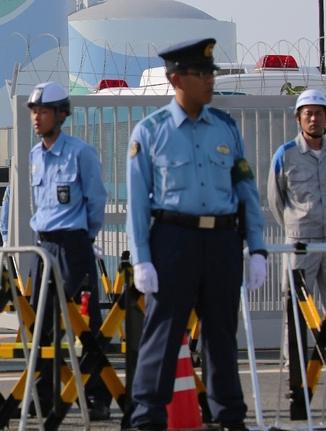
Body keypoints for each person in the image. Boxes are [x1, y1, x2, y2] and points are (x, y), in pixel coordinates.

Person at [126, 38, 267, 431]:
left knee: (222, 334)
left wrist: (257, 248)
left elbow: (246, 190)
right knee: (163, 335)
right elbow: (138, 203)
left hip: (222, 241)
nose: (209, 81)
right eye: (201, 73)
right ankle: (147, 419)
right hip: (173, 239)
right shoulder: (150, 132)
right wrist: (142, 258)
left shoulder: (225, 127)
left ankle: (230, 418)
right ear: (175, 79)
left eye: (210, 73)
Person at [26, 81, 112, 420]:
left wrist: (83, 239)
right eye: (34, 112)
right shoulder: (34, 156)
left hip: (74, 246)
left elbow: (96, 201)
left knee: (84, 325)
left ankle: (96, 395)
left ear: (61, 115)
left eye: (43, 111)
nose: (36, 118)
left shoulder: (80, 153)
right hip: (43, 246)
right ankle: (45, 394)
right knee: (42, 325)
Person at [268, 89, 326, 304]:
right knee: (297, 305)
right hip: (301, 243)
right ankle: (296, 340)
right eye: (308, 113)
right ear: (298, 118)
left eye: (319, 113)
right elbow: (276, 198)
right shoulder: (286, 154)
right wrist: (296, 227)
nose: (314, 118)